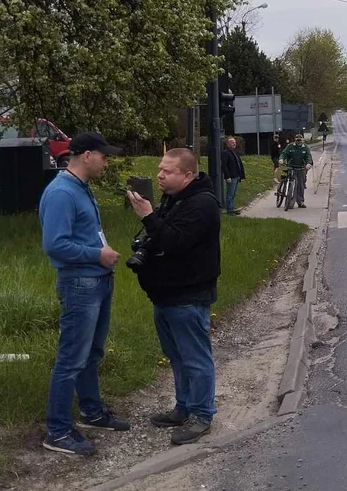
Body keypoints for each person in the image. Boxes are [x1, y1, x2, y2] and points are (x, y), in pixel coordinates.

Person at [38, 133, 131, 456]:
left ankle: (92, 412)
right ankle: (58, 431)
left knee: (92, 353)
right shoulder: (62, 193)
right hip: (80, 284)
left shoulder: (80, 188)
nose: (107, 162)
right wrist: (97, 255)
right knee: (71, 359)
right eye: (104, 156)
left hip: (98, 281)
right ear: (87, 155)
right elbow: (55, 244)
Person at [126, 149, 221, 444]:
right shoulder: (174, 199)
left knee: (195, 359)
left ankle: (203, 416)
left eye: (168, 171)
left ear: (188, 175)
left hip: (188, 294)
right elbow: (160, 238)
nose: (160, 175)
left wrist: (148, 216)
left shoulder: (202, 204)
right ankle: (183, 407)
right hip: (165, 294)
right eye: (159, 169)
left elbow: (175, 242)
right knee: (177, 358)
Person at [279, 132, 314, 208]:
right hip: (291, 167)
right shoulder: (290, 146)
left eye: (300, 140)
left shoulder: (306, 148)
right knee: (292, 184)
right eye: (297, 140)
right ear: (295, 140)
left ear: (303, 140)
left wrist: (308, 164)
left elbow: (308, 157)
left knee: (301, 185)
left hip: (301, 168)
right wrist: (281, 159)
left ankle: (300, 201)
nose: (299, 142)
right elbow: (284, 153)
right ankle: (290, 202)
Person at [221, 137, 245, 216]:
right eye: (232, 142)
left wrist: (241, 175)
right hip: (231, 176)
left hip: (237, 175)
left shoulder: (234, 152)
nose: (234, 144)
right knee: (230, 193)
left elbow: (239, 164)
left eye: (234, 142)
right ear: (227, 144)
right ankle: (230, 210)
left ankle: (231, 208)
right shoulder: (226, 153)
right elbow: (224, 166)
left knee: (233, 193)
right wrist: (227, 176)